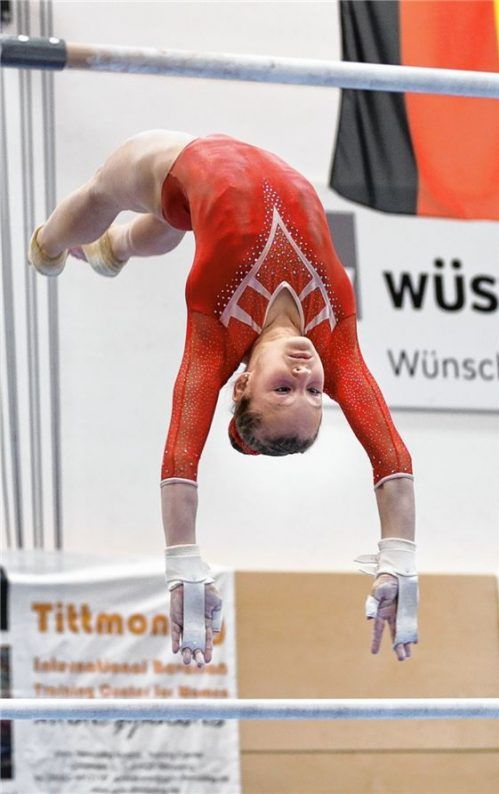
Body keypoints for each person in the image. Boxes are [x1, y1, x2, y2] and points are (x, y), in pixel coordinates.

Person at [29, 129, 418, 668]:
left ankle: (48, 246)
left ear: (240, 385)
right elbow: (392, 459)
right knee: (171, 223)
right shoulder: (336, 339)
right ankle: (114, 249)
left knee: (103, 195)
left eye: (282, 388)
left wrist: (182, 563)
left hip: (182, 158)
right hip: (235, 174)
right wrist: (400, 556)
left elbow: (180, 459)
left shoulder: (216, 331)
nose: (306, 373)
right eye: (314, 392)